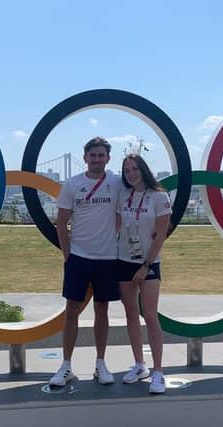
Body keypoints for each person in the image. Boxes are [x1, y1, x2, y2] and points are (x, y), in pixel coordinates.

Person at [49, 137, 122, 387]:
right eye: (93, 155)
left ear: (108, 158)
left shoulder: (116, 182)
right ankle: (66, 366)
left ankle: (100, 364)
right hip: (78, 257)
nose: (97, 159)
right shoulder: (72, 184)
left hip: (107, 258)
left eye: (102, 155)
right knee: (72, 310)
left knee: (102, 310)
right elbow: (61, 222)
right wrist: (67, 255)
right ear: (85, 157)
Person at [117, 154, 171, 394]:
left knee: (150, 315)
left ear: (144, 170)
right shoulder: (123, 194)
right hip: (123, 261)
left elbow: (160, 235)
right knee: (130, 314)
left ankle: (158, 372)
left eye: (135, 169)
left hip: (148, 264)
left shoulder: (159, 196)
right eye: (127, 170)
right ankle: (140, 365)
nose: (131, 174)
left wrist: (146, 264)